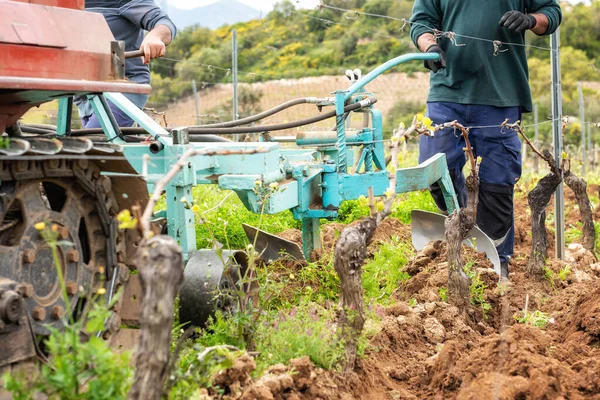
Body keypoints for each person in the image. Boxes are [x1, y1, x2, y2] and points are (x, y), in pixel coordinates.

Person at [410, 1, 562, 281]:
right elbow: (421, 23)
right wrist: (429, 46)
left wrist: (529, 20)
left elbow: (551, 14)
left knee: (497, 179)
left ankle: (495, 261)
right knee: (434, 168)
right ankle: (464, 232)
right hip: (448, 89)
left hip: (501, 92)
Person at [75, 0, 177, 128]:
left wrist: (155, 37)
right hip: (83, 94)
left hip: (122, 88)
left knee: (93, 141)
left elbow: (164, 24)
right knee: (99, 143)